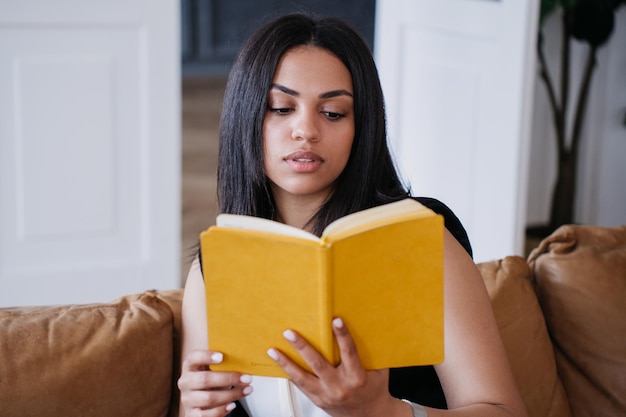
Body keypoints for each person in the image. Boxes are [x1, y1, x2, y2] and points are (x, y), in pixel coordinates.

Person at [177, 13, 528, 417]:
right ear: (247, 116)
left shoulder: (419, 240)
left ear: (361, 128)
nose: (305, 130)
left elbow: (505, 411)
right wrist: (195, 407)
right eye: (281, 107)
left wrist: (383, 411)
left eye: (333, 113)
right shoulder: (214, 269)